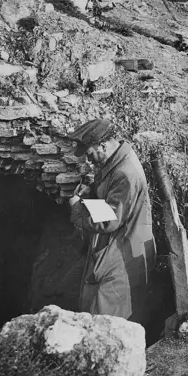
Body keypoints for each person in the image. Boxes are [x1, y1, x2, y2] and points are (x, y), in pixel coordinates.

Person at [66, 118, 156, 326]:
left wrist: (77, 209)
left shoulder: (125, 173)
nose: (89, 162)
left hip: (124, 253)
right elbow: (111, 196)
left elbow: (109, 220)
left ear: (104, 146)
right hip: (117, 244)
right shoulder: (116, 160)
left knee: (106, 317)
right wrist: (91, 192)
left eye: (90, 155)